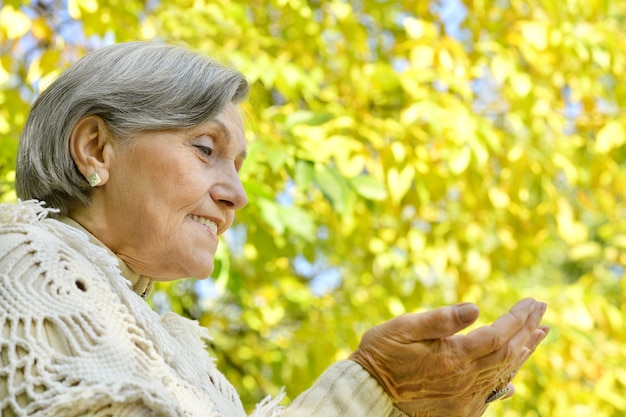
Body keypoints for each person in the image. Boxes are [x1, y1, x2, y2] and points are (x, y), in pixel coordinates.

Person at [0, 41, 549, 417]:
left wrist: (381, 389)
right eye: (205, 149)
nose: (235, 196)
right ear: (96, 148)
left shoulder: (173, 343)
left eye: (236, 167)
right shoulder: (24, 256)